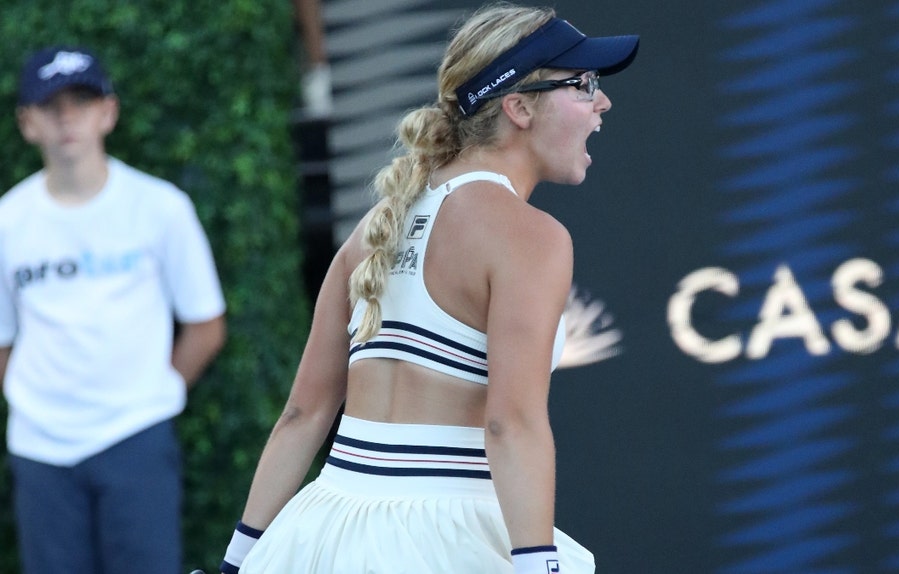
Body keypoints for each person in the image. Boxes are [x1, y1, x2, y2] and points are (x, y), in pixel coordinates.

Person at [220, 3, 638, 573]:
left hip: (318, 532)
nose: (602, 102)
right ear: (518, 107)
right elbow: (509, 423)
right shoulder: (533, 237)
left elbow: (303, 414)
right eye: (583, 84)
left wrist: (236, 564)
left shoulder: (377, 226)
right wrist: (542, 565)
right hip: (443, 539)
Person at [0, 45, 227, 574]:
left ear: (109, 111)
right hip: (41, 452)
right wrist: (34, 405)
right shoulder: (7, 222)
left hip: (136, 439)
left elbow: (206, 325)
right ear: (27, 123)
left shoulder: (161, 207)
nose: (66, 117)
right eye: (50, 104)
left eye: (81, 100)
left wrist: (154, 395)